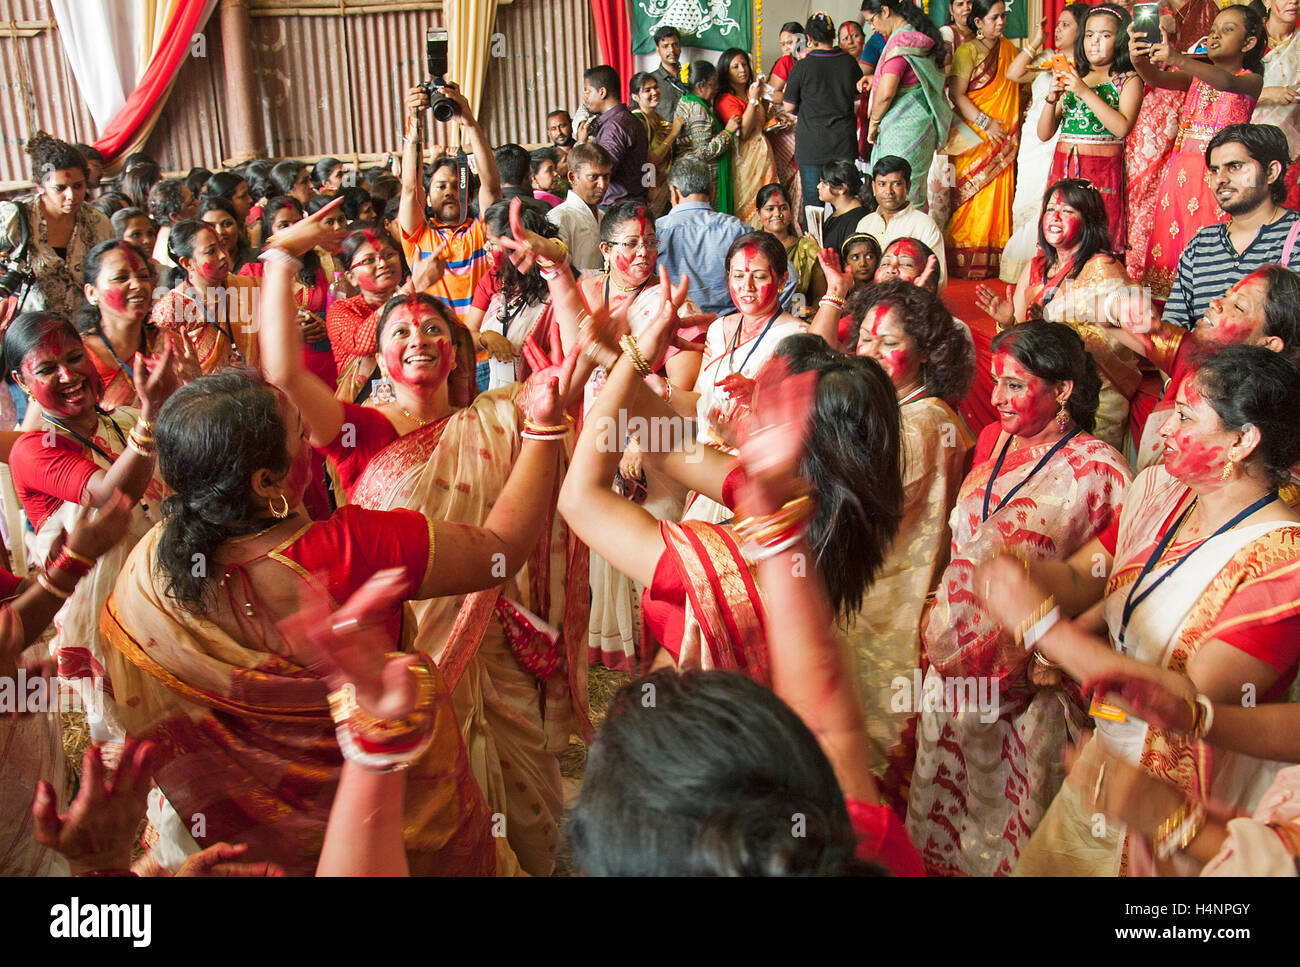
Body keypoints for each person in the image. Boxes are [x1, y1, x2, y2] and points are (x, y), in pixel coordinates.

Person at [98, 354, 573, 875]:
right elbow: (501, 547)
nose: (313, 446)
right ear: (266, 483)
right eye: (300, 436)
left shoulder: (149, 568)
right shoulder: (352, 550)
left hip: (238, 842)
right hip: (383, 821)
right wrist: (543, 429)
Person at [257, 207, 588, 876]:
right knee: (435, 798)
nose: (419, 339)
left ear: (458, 348)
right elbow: (286, 377)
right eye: (401, 331)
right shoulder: (360, 432)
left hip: (497, 636)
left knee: (530, 780)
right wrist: (281, 258)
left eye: (434, 328)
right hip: (407, 650)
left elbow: (577, 375)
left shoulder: (497, 418)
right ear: (378, 354)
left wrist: (556, 269)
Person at [973, 347, 1300, 876]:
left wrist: (1042, 626)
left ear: (1242, 440)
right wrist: (1017, 568)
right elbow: (1087, 577)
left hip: (1186, 795)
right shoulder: (1165, 494)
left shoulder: (1284, 562)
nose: (1165, 425)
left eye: (1188, 417)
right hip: (1106, 760)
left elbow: (1192, 695)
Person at [906, 321, 1132, 876]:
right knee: (942, 830)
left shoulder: (1103, 473)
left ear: (1062, 391)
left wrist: (1050, 654)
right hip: (950, 687)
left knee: (1009, 841)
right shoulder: (991, 442)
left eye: (1015, 385)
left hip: (1028, 700)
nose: (999, 398)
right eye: (997, 382)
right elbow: (960, 541)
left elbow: (1120, 587)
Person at [5, 310, 181, 744]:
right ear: (22, 382)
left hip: (167, 593)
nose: (68, 375)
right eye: (47, 369)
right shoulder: (32, 449)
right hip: (105, 622)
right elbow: (111, 495)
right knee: (129, 740)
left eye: (74, 357)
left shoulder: (121, 420)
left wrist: (181, 400)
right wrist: (153, 414)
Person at [843, 280, 975, 810]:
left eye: (888, 342)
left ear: (926, 352)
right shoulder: (889, 410)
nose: (871, 354)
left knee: (870, 760)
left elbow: (859, 512)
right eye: (865, 341)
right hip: (863, 599)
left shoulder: (926, 423)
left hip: (888, 611)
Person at [976, 179, 1141, 450]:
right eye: (1050, 208)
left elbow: (1129, 342)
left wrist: (1055, 328)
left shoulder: (1105, 269)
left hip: (1093, 388)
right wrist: (1008, 322)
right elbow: (1022, 338)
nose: (1054, 217)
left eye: (1067, 211)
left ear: (1088, 220)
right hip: (1039, 384)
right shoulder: (1035, 267)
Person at [1099, 262, 1300, 470]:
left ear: (1269, 344)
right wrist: (1118, 307)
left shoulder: (1267, 417)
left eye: (1238, 307)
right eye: (1226, 294)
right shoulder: (1190, 353)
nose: (1215, 303)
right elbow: (1100, 318)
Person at [1137, 4, 1267, 297]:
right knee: (1171, 246)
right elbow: (1155, 78)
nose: (1215, 35)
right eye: (1212, 30)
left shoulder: (1250, 80)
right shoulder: (1194, 76)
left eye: (1227, 30)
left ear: (1249, 43)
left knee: (1210, 246)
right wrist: (1139, 60)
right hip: (1181, 177)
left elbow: (1227, 82)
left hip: (1220, 179)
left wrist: (1178, 58)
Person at [682, 233, 808, 523]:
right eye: (738, 275)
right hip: (705, 475)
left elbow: (798, 432)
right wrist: (655, 387)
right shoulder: (718, 329)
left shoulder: (798, 337)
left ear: (782, 279)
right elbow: (698, 404)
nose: (746, 287)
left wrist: (758, 398)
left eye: (759, 276)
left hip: (754, 485)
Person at [1159, 123, 1299, 332]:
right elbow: (1173, 331)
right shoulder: (1202, 244)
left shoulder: (1295, 238)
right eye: (1215, 170)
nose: (1221, 179)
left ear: (1271, 172)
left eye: (1235, 166)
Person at [1125, 0, 1222, 280]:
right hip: (1150, 109)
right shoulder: (1143, 9)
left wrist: (1178, 43)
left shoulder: (1208, 8)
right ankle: (1137, 274)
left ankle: (1182, 277)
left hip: (1197, 107)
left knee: (1184, 199)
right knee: (1143, 194)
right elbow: (1133, 63)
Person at [1040, 5, 1142, 250]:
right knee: (1063, 234)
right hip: (1065, 169)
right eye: (1089, 35)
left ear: (1120, 40)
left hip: (1102, 172)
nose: (1095, 42)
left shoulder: (1128, 79)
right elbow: (1044, 134)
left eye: (1105, 35)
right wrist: (1052, 97)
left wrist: (1084, 92)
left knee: (1096, 238)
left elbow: (1121, 128)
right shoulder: (1076, 76)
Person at [396, 81, 501, 322]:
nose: (449, 192)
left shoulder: (480, 232)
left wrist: (469, 123)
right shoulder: (418, 237)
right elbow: (410, 188)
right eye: (440, 186)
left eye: (456, 185)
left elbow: (491, 186)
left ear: (468, 193)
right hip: (438, 349)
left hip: (482, 350)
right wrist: (414, 121)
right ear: (428, 195)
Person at [1002, 7, 1089, 282]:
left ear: (1082, 30)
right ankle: (1021, 270)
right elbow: (1013, 74)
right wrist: (1036, 42)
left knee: (1046, 199)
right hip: (1032, 139)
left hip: (1056, 138)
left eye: (1066, 24)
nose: (1059, 29)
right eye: (1059, 23)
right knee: (1024, 201)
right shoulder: (1049, 59)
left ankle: (1044, 266)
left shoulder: (1085, 68)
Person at [657, 160, 794, 318]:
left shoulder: (656, 232)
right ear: (712, 192)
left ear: (673, 192)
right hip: (729, 329)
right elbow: (789, 277)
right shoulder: (736, 229)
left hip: (673, 327)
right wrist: (763, 318)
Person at [0, 133, 113, 317]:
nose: (71, 196)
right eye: (60, 188)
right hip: (33, 334)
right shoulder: (14, 219)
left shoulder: (97, 222)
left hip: (84, 333)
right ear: (40, 186)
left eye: (78, 186)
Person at [946, 0, 1020, 280]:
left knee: (999, 197)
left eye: (1002, 17)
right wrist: (985, 123)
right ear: (978, 22)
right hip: (974, 138)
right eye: (993, 18)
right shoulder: (967, 51)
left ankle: (994, 258)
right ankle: (963, 260)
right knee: (970, 199)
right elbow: (957, 94)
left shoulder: (1010, 50)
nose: (1000, 22)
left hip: (1003, 138)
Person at [860, 0, 955, 215]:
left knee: (896, 195)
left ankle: (903, 245)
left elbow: (886, 93)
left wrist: (873, 122)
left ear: (885, 11)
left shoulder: (901, 44)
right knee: (914, 193)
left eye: (871, 20)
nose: (872, 27)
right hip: (921, 126)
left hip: (903, 131)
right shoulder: (919, 38)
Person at [326, 227, 440, 400]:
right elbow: (362, 344)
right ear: (351, 277)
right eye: (369, 260)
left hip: (419, 402)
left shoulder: (419, 304)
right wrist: (411, 288)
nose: (382, 263)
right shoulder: (343, 310)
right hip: (365, 411)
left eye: (388, 255)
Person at [77, 240, 177, 410]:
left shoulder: (170, 343)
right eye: (121, 278)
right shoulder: (77, 356)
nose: (137, 285)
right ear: (92, 293)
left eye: (143, 276)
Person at [150, 220, 260, 373]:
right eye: (211, 251)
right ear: (187, 263)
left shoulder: (248, 286)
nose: (223, 255)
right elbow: (168, 373)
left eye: (222, 246)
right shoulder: (170, 310)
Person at [783, 13, 864, 215]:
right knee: (846, 199)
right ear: (832, 36)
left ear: (809, 38)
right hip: (843, 143)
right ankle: (848, 243)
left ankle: (816, 245)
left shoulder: (802, 67)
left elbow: (789, 106)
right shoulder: (849, 63)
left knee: (813, 203)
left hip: (812, 145)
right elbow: (857, 94)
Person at [857, 155, 948, 290]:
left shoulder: (924, 225)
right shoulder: (865, 223)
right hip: (868, 301)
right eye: (882, 184)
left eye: (896, 184)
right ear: (874, 188)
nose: (889, 191)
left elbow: (937, 279)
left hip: (908, 303)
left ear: (908, 187)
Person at [714, 48, 778, 226]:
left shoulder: (752, 91)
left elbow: (760, 122)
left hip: (764, 158)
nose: (742, 69)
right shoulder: (726, 99)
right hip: (745, 163)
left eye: (744, 64)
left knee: (770, 203)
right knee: (750, 210)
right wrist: (752, 100)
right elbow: (744, 132)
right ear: (726, 72)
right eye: (735, 66)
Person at [673, 61, 741, 215]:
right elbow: (702, 152)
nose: (716, 88)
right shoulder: (698, 110)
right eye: (712, 84)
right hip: (702, 177)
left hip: (689, 175)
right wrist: (727, 132)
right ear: (700, 86)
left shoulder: (686, 99)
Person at [1252, 0, 1300, 206]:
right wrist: (1264, 94)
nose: (1294, 1)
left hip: (1295, 151)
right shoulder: (1248, 40)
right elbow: (1223, 90)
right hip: (1252, 144)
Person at [580, 65, 648, 209]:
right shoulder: (626, 119)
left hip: (617, 206)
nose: (585, 97)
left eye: (587, 91)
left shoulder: (615, 127)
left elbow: (600, 169)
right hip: (630, 202)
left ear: (602, 92)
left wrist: (581, 143)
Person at [756, 182, 826, 309]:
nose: (778, 214)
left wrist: (813, 311)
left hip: (799, 323)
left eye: (783, 208)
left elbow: (820, 296)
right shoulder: (752, 249)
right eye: (770, 209)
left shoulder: (807, 249)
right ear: (758, 213)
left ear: (790, 211)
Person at [545, 142, 612, 274]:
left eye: (606, 176)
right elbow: (558, 270)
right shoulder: (559, 217)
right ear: (572, 177)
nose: (602, 185)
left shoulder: (603, 216)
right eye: (594, 177)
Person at [629, 73, 680, 215]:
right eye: (647, 90)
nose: (654, 92)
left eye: (655, 87)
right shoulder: (638, 120)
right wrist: (673, 133)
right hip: (650, 190)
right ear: (635, 97)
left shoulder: (657, 117)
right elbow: (650, 159)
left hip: (663, 187)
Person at [818, 160, 870, 258]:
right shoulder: (837, 213)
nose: (818, 186)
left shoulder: (857, 220)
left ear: (841, 189)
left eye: (824, 184)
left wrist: (817, 249)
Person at [148, 179, 199, 270]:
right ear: (175, 216)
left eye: (194, 197)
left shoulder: (167, 232)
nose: (198, 203)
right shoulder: (175, 246)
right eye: (191, 202)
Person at [198, 196, 257, 271]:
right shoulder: (204, 273)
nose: (220, 232)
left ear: (238, 224)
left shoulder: (259, 259)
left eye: (226, 224)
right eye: (211, 227)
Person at [650, 25, 686, 121]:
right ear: (658, 50)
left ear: (680, 47)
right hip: (665, 135)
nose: (672, 50)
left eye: (675, 45)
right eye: (665, 46)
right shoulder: (650, 82)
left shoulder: (691, 76)